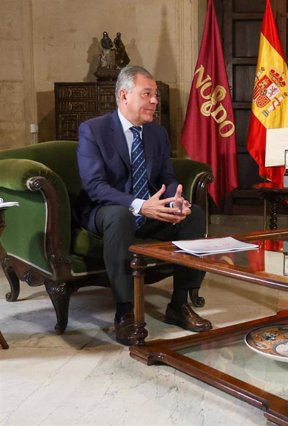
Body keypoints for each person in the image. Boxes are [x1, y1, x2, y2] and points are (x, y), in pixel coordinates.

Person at [76, 65, 212, 345]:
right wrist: (138, 205)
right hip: (106, 209)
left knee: (194, 216)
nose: (154, 101)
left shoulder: (157, 134)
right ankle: (126, 312)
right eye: (147, 94)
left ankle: (179, 304)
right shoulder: (93, 130)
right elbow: (94, 186)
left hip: (149, 209)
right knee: (120, 216)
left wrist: (177, 200)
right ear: (124, 95)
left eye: (156, 95)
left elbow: (167, 177)